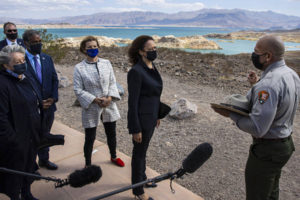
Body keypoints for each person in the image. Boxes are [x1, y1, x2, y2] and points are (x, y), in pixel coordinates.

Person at [212, 35, 299, 200]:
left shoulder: (268, 84)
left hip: (267, 151)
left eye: (256, 52)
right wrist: (256, 85)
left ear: (268, 56)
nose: (253, 55)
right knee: (271, 192)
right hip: (284, 145)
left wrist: (230, 114)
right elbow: (279, 101)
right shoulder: (291, 74)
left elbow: (258, 128)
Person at [73, 36, 125, 168]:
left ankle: (113, 156)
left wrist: (109, 98)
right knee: (90, 137)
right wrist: (94, 99)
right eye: (89, 47)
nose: (92, 49)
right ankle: (88, 164)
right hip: (91, 106)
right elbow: (78, 89)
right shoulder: (79, 68)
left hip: (109, 104)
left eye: (95, 46)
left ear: (98, 48)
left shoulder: (106, 63)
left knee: (111, 133)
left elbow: (113, 82)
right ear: (84, 49)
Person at [0, 45, 42, 200]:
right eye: (17, 62)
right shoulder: (3, 84)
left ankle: (27, 193)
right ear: (6, 65)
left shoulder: (25, 78)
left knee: (29, 167)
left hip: (31, 136)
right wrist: (14, 141)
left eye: (23, 60)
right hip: (16, 141)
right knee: (15, 173)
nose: (22, 63)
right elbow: (1, 119)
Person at [127, 35, 163, 200]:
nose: (154, 51)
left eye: (155, 48)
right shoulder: (136, 72)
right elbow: (132, 103)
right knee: (139, 154)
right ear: (141, 52)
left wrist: (158, 115)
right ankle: (138, 191)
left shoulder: (152, 66)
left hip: (151, 117)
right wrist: (135, 128)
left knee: (143, 151)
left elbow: (154, 95)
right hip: (141, 121)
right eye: (150, 50)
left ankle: (142, 179)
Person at [23, 29, 59, 170]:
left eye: (39, 41)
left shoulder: (47, 58)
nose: (38, 44)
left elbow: (54, 80)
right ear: (26, 43)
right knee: (31, 138)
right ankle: (31, 166)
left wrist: (53, 99)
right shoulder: (20, 61)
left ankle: (44, 160)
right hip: (31, 108)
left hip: (49, 107)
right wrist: (37, 102)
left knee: (45, 135)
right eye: (34, 42)